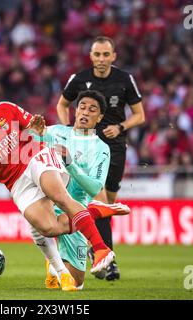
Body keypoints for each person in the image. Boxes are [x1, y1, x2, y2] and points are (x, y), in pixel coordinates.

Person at [0, 87, 125, 291]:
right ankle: (94, 212)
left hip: (35, 157)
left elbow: (37, 130)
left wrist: (36, 131)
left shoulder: (4, 108)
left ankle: (101, 249)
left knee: (59, 196)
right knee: (48, 228)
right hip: (16, 183)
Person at [56, 36, 146, 280]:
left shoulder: (125, 79)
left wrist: (120, 127)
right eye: (97, 54)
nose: (102, 59)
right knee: (101, 201)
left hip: (114, 146)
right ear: (91, 56)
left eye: (106, 55)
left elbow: (140, 115)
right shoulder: (79, 79)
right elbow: (62, 105)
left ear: (113, 56)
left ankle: (96, 248)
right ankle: (106, 258)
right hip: (85, 146)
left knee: (105, 207)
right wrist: (68, 131)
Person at [31, 90, 130, 290]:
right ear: (75, 111)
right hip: (48, 205)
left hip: (76, 213)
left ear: (100, 117)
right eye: (82, 107)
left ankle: (54, 263)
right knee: (42, 224)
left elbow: (94, 187)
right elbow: (30, 153)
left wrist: (70, 164)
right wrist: (34, 133)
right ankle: (56, 256)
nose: (85, 112)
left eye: (92, 109)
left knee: (75, 284)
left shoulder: (101, 148)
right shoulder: (55, 132)